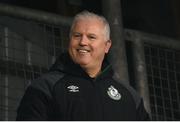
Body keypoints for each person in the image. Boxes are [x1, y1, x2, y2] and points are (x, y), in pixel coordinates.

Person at [16, 10, 150, 120]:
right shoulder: (45, 87)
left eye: (91, 37)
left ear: (107, 46)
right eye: (77, 35)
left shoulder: (130, 96)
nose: (83, 42)